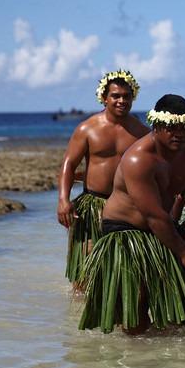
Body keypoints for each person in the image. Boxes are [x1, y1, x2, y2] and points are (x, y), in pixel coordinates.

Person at [78, 94, 185, 334]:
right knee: (135, 316)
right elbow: (154, 216)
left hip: (163, 229)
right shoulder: (139, 158)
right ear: (156, 126)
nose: (179, 134)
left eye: (184, 128)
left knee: (176, 321)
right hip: (125, 231)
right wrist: (184, 252)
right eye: (171, 127)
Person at [57, 69, 149, 287]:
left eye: (126, 96)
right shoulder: (87, 128)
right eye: (116, 96)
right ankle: (78, 307)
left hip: (126, 206)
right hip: (93, 204)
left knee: (125, 271)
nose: (121, 101)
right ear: (104, 98)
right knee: (84, 270)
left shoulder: (142, 132)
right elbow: (69, 165)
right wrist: (63, 200)